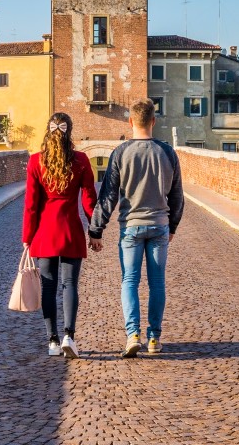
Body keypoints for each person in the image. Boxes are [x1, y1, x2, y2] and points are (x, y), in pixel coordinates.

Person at [88, 99, 184, 358]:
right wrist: (172, 225)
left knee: (129, 281)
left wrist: (96, 229)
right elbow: (177, 196)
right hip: (159, 225)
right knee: (157, 283)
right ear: (154, 121)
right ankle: (154, 338)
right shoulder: (167, 152)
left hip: (131, 226)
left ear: (130, 122)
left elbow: (108, 196)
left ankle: (133, 334)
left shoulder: (121, 153)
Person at [22, 112, 99, 359]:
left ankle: (52, 340)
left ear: (48, 131)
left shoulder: (36, 162)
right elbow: (89, 200)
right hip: (71, 231)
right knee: (70, 285)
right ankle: (69, 336)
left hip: (44, 233)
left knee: (48, 286)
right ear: (70, 132)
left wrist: (27, 237)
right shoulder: (81, 160)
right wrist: (95, 229)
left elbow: (31, 205)